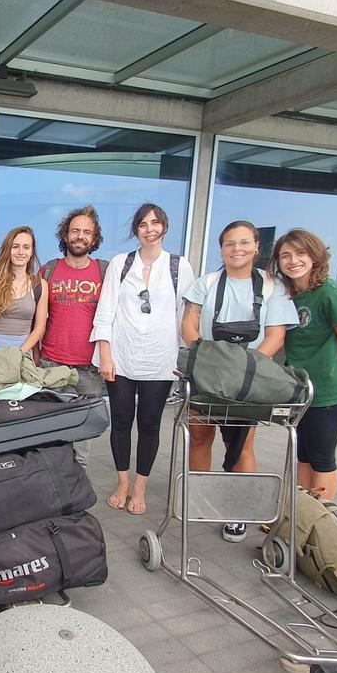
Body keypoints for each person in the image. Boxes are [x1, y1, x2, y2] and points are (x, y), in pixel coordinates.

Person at [182, 219, 298, 542]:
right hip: (208, 375)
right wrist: (205, 362)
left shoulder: (274, 287)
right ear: (221, 248)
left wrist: (245, 372)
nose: (237, 249)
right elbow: (189, 325)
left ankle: (238, 510)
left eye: (244, 242)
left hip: (252, 379)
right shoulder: (206, 284)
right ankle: (200, 499)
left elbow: (275, 336)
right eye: (230, 243)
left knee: (242, 444)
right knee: (200, 435)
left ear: (256, 247)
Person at [93, 203, 196, 515]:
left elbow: (187, 317)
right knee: (121, 422)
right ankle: (122, 483)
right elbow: (106, 310)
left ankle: (140, 487)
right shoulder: (121, 264)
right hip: (121, 358)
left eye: (155, 223)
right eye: (142, 224)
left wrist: (191, 358)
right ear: (135, 230)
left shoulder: (179, 266)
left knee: (150, 425)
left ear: (163, 226)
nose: (149, 229)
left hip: (160, 362)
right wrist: (105, 354)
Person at [270, 229, 337, 500]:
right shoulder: (288, 294)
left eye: (300, 253)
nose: (293, 260)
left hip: (329, 393)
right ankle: (300, 516)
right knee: (303, 457)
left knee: (322, 458)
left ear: (315, 256)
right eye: (285, 255)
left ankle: (321, 523)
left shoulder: (331, 294)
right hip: (301, 392)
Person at [38, 205, 109, 465]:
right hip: (51, 362)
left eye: (87, 232)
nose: (80, 236)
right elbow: (37, 318)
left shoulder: (105, 271)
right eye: (75, 230)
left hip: (88, 368)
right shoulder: (48, 270)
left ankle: (78, 486)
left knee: (83, 433)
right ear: (65, 235)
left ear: (94, 238)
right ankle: (53, 482)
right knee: (52, 429)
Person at [0, 226, 48, 353]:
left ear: (32, 251)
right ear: (7, 249)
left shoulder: (40, 285)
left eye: (26, 247)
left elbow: (39, 328)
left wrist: (19, 354)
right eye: (15, 246)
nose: (21, 252)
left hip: (22, 354)